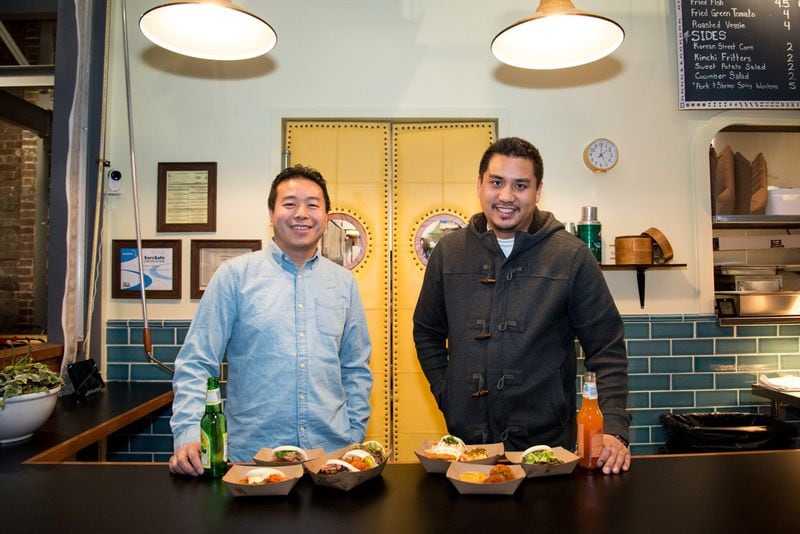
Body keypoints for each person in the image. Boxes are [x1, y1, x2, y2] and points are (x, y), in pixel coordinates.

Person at [412, 137, 631, 475]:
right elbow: (427, 332)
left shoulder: (570, 256)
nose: (506, 196)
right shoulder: (449, 253)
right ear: (480, 184)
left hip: (546, 449)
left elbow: (607, 348)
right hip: (469, 446)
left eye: (521, 185)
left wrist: (614, 427)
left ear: (538, 190)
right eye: (496, 182)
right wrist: (448, 393)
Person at [169, 165, 373, 476]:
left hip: (329, 459)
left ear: (326, 216)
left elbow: (356, 368)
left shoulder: (343, 283)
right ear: (271, 213)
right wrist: (188, 435)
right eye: (289, 204)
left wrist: (353, 434)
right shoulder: (235, 277)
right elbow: (197, 362)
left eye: (313, 205)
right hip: (252, 460)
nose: (301, 213)